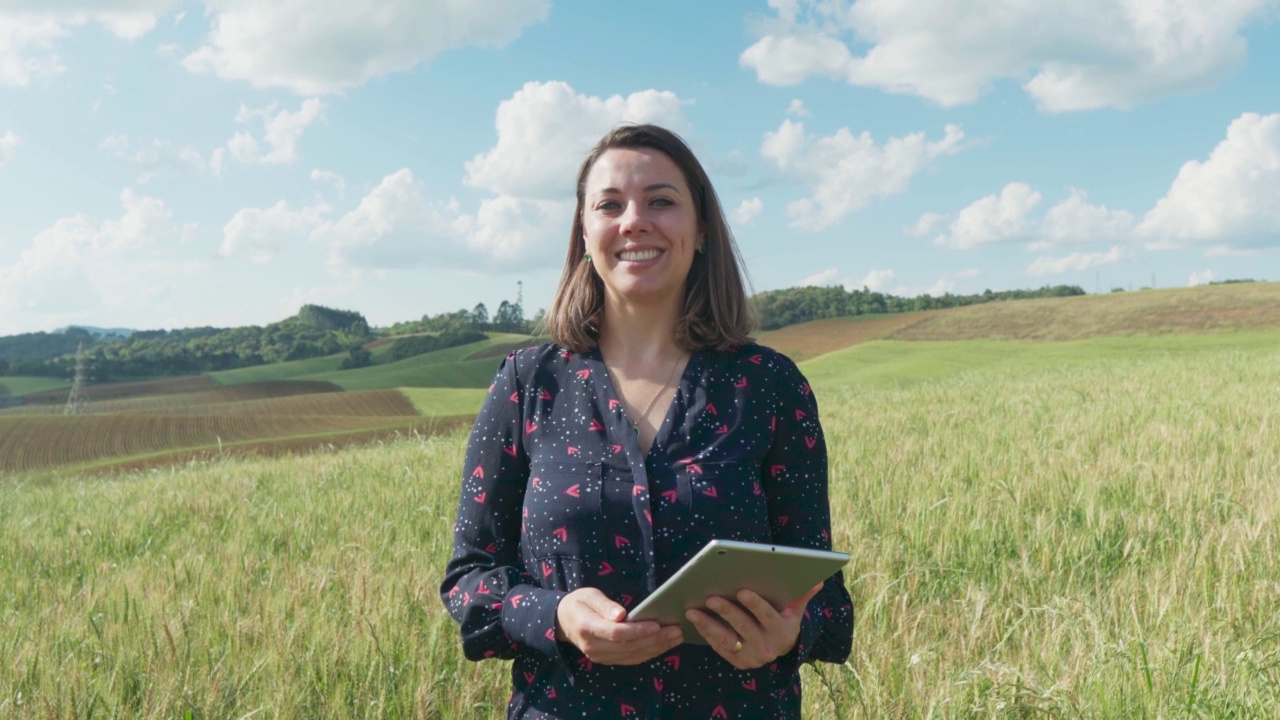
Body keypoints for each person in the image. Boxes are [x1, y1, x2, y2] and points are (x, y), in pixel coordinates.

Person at [440, 124, 853, 719]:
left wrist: (793, 633)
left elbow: (826, 599)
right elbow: (469, 578)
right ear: (585, 232)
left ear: (702, 228)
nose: (634, 220)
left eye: (661, 200)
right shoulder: (528, 384)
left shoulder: (769, 386)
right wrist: (554, 615)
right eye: (610, 205)